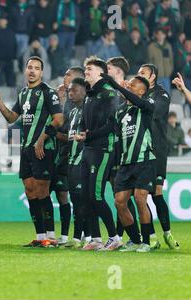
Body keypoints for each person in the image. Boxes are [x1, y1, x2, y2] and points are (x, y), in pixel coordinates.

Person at [0, 56, 64, 247]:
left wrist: (41, 139)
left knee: (42, 190)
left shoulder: (48, 92)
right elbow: (12, 118)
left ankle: (51, 236)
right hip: (26, 149)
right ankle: (39, 236)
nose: (32, 71)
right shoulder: (23, 94)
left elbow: (59, 119)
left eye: (36, 68)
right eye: (30, 67)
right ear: (25, 70)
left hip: (43, 148)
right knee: (30, 191)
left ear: (41, 72)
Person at [103, 73, 156, 252]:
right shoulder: (120, 111)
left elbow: (138, 101)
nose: (129, 86)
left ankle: (147, 242)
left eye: (132, 85)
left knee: (141, 198)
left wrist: (119, 86)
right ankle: (135, 239)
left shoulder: (147, 105)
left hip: (144, 160)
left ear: (142, 91)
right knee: (119, 201)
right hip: (126, 163)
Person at [76, 56, 122, 251]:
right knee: (85, 196)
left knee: (96, 195)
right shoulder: (90, 94)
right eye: (85, 70)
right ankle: (95, 238)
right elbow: (84, 121)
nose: (86, 73)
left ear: (101, 73)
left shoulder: (110, 94)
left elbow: (112, 124)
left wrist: (89, 135)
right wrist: (81, 131)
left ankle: (114, 237)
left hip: (103, 149)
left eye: (89, 70)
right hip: (88, 149)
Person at [138, 63, 180, 249]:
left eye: (143, 73)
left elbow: (155, 113)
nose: (140, 75)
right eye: (138, 73)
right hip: (139, 150)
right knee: (139, 195)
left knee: (156, 193)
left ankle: (167, 233)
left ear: (153, 76)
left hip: (157, 150)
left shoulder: (161, 94)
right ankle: (151, 237)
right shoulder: (139, 94)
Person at [59, 77, 88, 248]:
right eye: (69, 90)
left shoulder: (88, 109)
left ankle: (90, 237)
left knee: (83, 201)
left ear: (84, 91)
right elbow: (69, 137)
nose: (71, 93)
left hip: (83, 161)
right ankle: (78, 238)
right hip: (71, 160)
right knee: (76, 201)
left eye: (75, 90)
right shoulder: (73, 112)